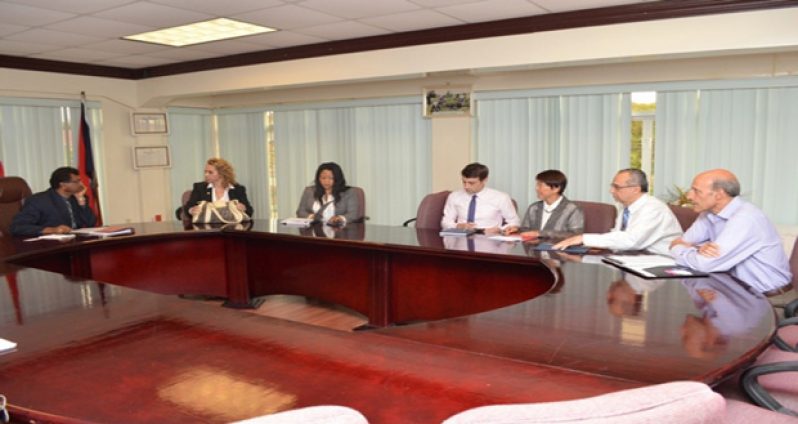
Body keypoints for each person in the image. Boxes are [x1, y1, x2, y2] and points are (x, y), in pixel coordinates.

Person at [669, 169, 791, 295]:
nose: (689, 196)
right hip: (737, 292)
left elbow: (704, 263)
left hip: (769, 297)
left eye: (697, 191)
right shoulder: (707, 213)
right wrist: (697, 249)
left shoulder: (745, 219)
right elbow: (682, 242)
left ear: (719, 194)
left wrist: (680, 248)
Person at [553, 169, 681, 255]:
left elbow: (631, 240)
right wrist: (596, 244)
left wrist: (583, 238)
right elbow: (619, 234)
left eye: (617, 187)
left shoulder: (653, 209)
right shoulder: (626, 207)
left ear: (636, 189)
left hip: (661, 262)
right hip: (636, 257)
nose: (611, 191)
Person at [10, 166, 97, 237]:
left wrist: (81, 202)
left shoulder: (78, 198)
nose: (81, 185)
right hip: (48, 246)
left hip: (74, 241)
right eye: (76, 182)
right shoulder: (38, 201)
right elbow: (18, 227)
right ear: (63, 185)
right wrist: (51, 230)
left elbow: (91, 223)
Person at [441, 162, 520, 234]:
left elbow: (514, 222)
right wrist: (457, 226)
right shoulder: (454, 196)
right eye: (464, 182)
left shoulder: (501, 197)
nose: (466, 186)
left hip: (489, 239)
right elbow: (445, 222)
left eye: (471, 183)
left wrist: (500, 229)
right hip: (461, 238)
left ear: (484, 180)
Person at [504, 170, 584, 240]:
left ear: (556, 188)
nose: (536, 188)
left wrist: (541, 233)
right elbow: (526, 230)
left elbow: (576, 235)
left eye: (540, 185)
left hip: (559, 252)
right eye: (537, 185)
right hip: (533, 251)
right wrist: (516, 230)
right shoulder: (534, 207)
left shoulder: (572, 209)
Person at [296, 162, 362, 225]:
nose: (326, 181)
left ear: (337, 178)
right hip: (314, 229)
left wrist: (340, 218)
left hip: (338, 230)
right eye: (323, 178)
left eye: (331, 178)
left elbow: (353, 214)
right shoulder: (309, 191)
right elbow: (300, 211)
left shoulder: (349, 192)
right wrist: (311, 217)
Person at [186, 158, 253, 217]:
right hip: (207, 228)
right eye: (205, 172)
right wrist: (191, 210)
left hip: (232, 227)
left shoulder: (238, 189)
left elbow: (249, 211)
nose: (206, 175)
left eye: (210, 172)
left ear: (221, 173)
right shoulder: (200, 188)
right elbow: (188, 207)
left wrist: (244, 209)